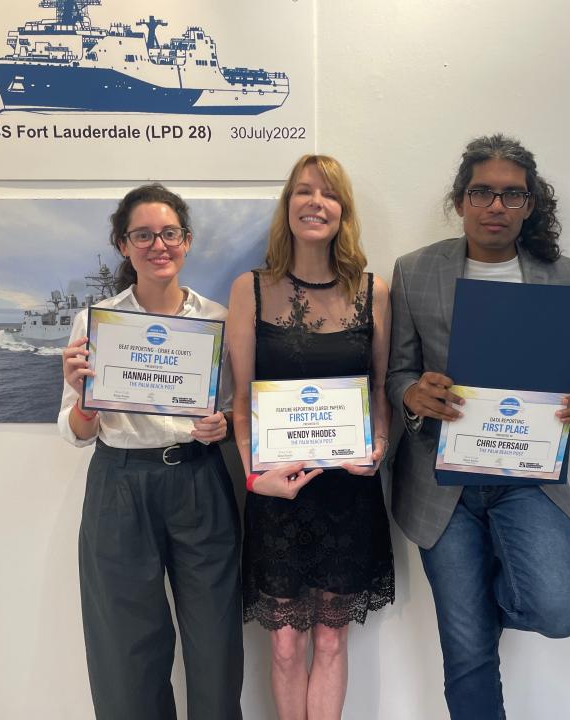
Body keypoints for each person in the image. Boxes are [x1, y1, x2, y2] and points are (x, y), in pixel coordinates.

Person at [386, 134, 570, 719]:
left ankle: (484, 592)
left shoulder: (564, 275)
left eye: (511, 195)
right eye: (482, 193)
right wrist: (413, 394)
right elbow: (397, 372)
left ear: (529, 206)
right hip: (440, 486)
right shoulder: (415, 271)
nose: (496, 206)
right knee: (468, 652)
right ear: (461, 200)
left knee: (559, 609)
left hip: (529, 478)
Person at [58, 184, 243, 720]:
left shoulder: (219, 320)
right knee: (124, 646)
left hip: (198, 478)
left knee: (215, 640)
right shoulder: (96, 322)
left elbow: (236, 411)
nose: (157, 244)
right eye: (143, 235)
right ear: (123, 244)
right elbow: (74, 431)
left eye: (169, 233)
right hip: (120, 484)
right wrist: (86, 402)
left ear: (187, 242)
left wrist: (221, 426)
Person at [226, 155, 394, 720]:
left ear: (343, 211)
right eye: (303, 191)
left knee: (329, 639)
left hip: (347, 493)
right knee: (285, 642)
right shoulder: (250, 289)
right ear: (288, 207)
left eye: (328, 193)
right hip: (278, 493)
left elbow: (380, 396)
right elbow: (242, 405)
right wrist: (255, 478)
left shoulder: (376, 292)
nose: (315, 202)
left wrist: (379, 447)